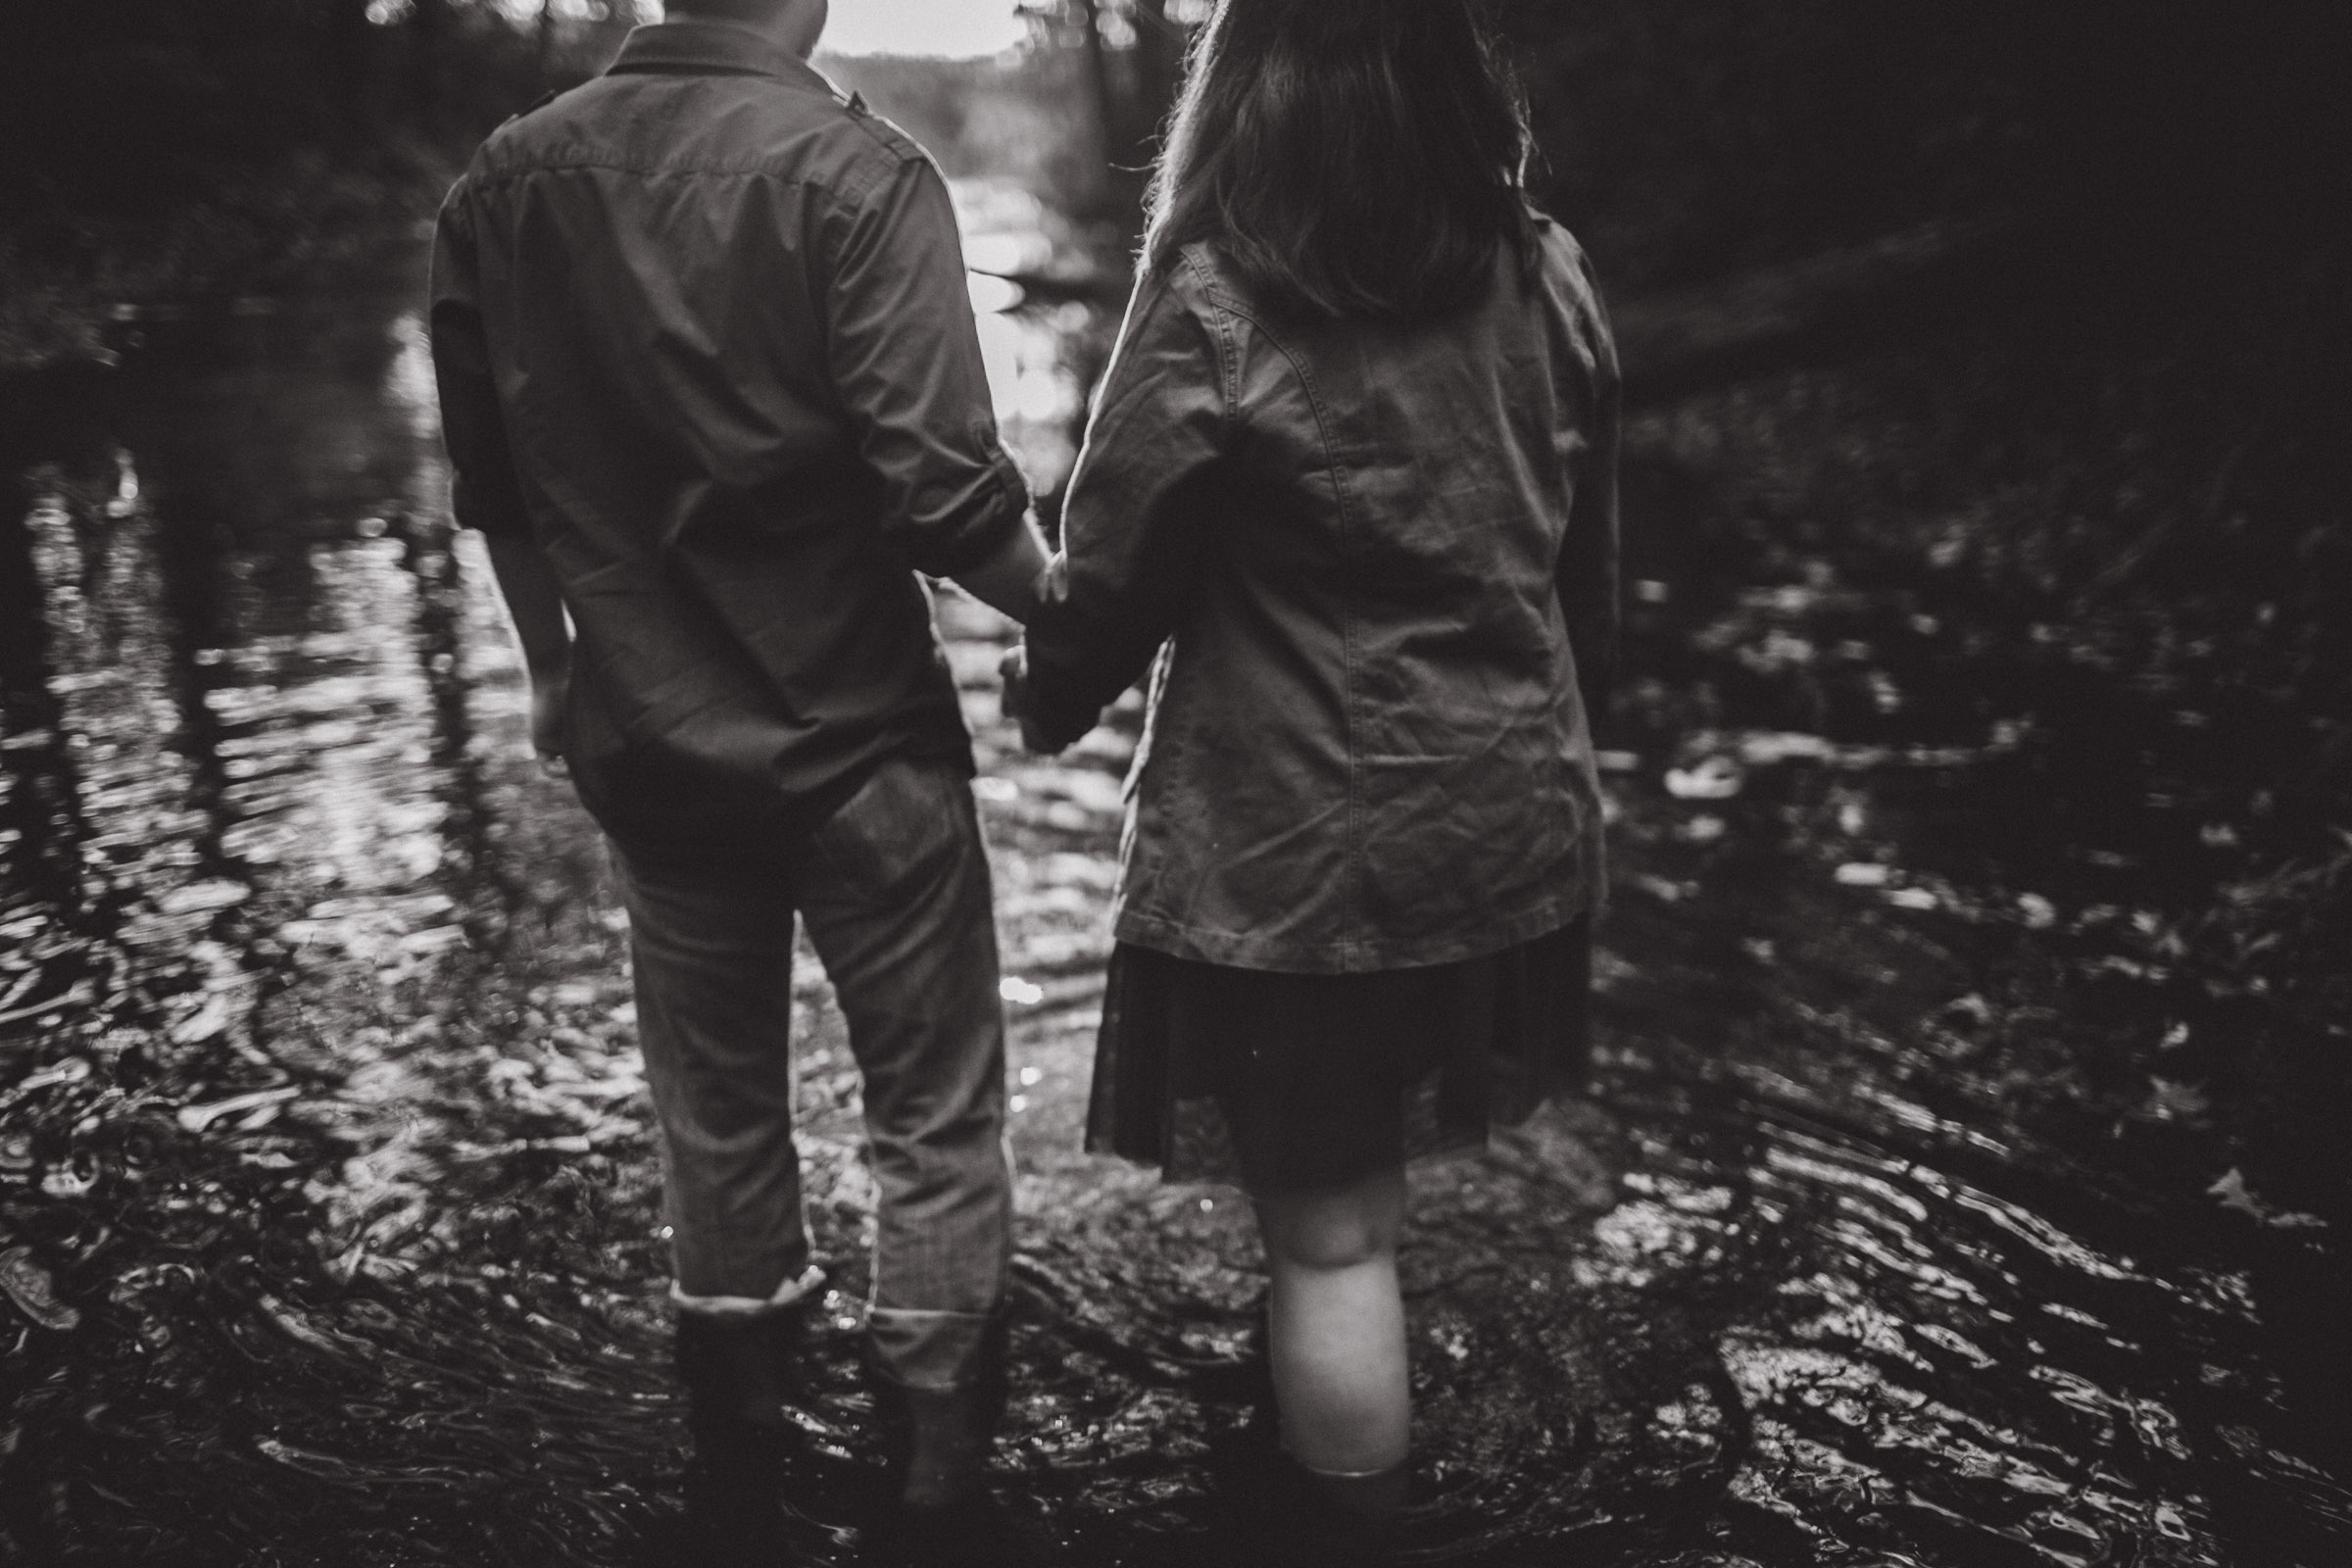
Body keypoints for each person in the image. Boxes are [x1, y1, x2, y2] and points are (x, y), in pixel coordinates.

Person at [427, 0, 1050, 1558]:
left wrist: (555, 670)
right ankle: (931, 1488)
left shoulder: (505, 181)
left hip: (650, 745)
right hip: (862, 747)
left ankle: (744, 1469)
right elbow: (944, 492)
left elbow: (494, 479)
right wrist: (1091, 608)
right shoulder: (860, 176)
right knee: (934, 1121)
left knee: (711, 1116)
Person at [1004, 0, 1620, 1556]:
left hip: (1301, 850)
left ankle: (1358, 1531)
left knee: (1331, 1247)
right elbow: (1584, 564)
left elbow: (1116, 559)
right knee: (1364, 1225)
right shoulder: (1544, 269)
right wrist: (1565, 739)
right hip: (1503, 818)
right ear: (1449, 80)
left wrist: (1048, 695)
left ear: (1249, 91)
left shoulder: (1214, 293)